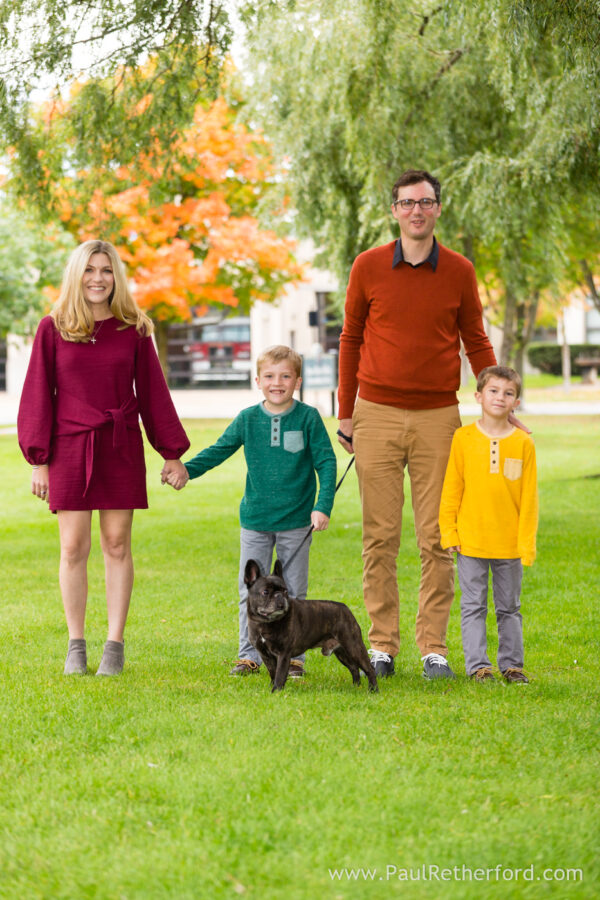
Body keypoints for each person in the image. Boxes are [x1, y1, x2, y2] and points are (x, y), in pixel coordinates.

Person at [337, 168, 501, 680]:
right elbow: (350, 338)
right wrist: (346, 412)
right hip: (377, 414)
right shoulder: (367, 266)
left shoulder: (459, 270)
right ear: (394, 211)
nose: (416, 210)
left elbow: (475, 338)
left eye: (425, 202)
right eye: (407, 203)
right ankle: (382, 645)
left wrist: (498, 402)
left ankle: (434, 646)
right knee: (379, 536)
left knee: (438, 536)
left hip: (439, 419)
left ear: (437, 209)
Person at [17, 239, 190, 676]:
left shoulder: (133, 328)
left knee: (117, 544)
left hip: (118, 445)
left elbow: (153, 393)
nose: (98, 278)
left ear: (117, 277)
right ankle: (76, 644)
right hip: (69, 446)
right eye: (90, 269)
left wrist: (171, 454)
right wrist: (38, 459)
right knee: (73, 546)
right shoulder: (52, 328)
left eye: (106, 270)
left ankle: (114, 645)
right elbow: (38, 393)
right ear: (77, 274)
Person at [163, 345, 337, 678]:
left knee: (294, 593)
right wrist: (186, 470)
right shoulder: (248, 419)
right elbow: (219, 450)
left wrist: (322, 506)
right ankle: (249, 655)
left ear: (297, 381)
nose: (277, 383)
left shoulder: (308, 417)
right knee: (251, 592)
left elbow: (326, 463)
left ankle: (295, 656)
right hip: (255, 521)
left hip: (297, 523)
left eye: (285, 376)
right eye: (270, 376)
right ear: (257, 380)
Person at [438, 366, 538, 683]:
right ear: (479, 396)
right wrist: (449, 531)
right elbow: (452, 488)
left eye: (508, 393)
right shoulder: (463, 438)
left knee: (509, 607)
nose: (500, 397)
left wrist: (526, 543)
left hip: (508, 543)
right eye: (493, 391)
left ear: (516, 403)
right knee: (473, 607)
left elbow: (529, 500)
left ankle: (512, 665)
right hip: (471, 542)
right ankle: (479, 667)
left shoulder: (523, 444)